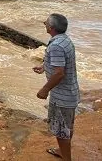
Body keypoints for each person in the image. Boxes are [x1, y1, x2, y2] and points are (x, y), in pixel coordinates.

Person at [33, 13, 79, 161]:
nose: (44, 23)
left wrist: (45, 89)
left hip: (61, 97)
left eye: (46, 22)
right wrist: (44, 66)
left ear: (51, 28)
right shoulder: (64, 40)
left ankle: (66, 158)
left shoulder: (56, 46)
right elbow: (60, 64)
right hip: (70, 93)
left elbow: (59, 74)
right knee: (67, 127)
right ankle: (62, 151)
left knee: (61, 131)